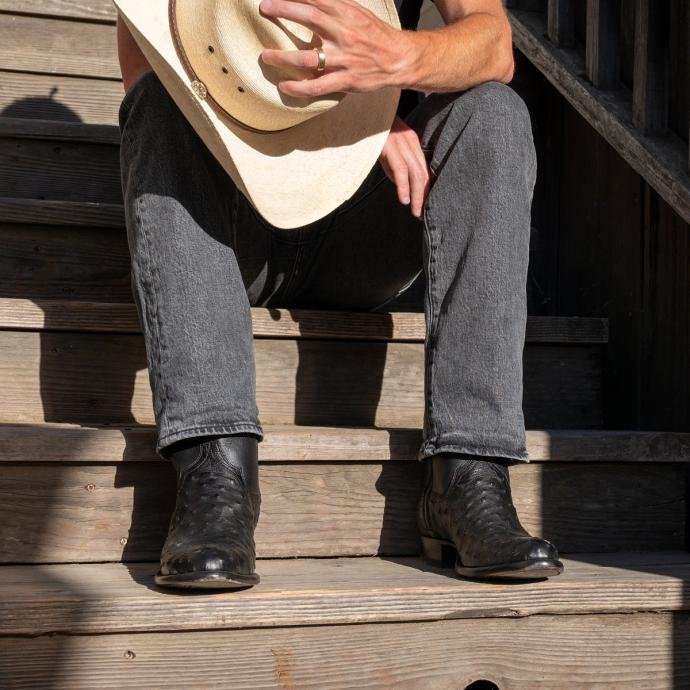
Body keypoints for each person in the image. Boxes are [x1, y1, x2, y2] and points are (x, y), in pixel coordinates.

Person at [116, 0, 564, 589]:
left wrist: (394, 63)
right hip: (228, 231)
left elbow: (495, 45)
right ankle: (216, 476)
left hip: (363, 229)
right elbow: (143, 70)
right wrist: (350, 130)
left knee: (494, 113)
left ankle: (468, 475)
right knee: (157, 103)